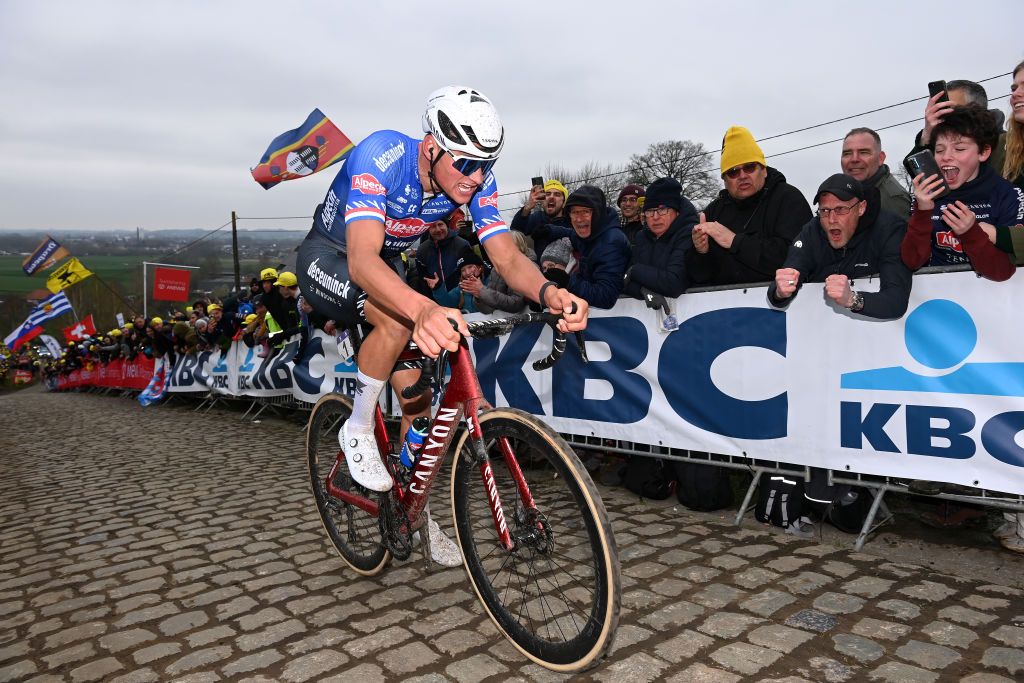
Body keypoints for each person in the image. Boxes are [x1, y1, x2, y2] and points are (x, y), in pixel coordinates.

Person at [294, 86, 587, 561]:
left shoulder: (475, 181)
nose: (476, 177)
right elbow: (363, 260)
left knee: (418, 402)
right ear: (431, 147)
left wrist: (550, 292)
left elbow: (507, 258)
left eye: (486, 165)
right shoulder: (382, 155)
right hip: (332, 257)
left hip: (385, 265)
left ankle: (414, 513)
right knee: (396, 322)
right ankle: (358, 427)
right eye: (466, 164)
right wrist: (422, 308)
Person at [900, 105, 1019, 282]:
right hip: (937, 298)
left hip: (990, 300)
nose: (946, 157)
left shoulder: (1007, 194)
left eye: (959, 149)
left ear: (984, 152)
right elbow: (912, 262)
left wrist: (971, 232)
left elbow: (1002, 272)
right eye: (939, 150)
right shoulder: (928, 193)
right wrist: (922, 212)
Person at [770, 173, 911, 320]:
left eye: (840, 209)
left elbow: (897, 301)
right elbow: (790, 272)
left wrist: (852, 299)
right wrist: (780, 292)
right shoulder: (812, 230)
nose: (831, 219)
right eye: (824, 210)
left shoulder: (889, 229)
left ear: (861, 208)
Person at [687, 126, 812, 286]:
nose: (742, 176)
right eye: (733, 172)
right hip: (724, 308)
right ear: (725, 180)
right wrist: (700, 252)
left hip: (781, 305)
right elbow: (697, 277)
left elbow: (796, 257)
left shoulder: (788, 199)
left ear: (764, 170)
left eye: (749, 167)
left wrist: (735, 242)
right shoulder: (714, 212)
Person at [623, 177, 698, 305]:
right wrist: (642, 291)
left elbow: (674, 283)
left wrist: (635, 271)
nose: (655, 217)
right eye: (650, 211)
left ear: (677, 212)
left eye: (662, 210)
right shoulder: (641, 237)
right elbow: (621, 280)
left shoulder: (690, 234)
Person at [560, 185, 631, 309]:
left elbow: (606, 296)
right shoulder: (589, 234)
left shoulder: (611, 242)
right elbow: (570, 233)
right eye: (574, 212)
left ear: (598, 213)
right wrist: (549, 230)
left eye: (586, 212)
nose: (579, 218)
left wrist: (567, 282)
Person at [840, 128, 911, 218]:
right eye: (847, 153)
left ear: (880, 158)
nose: (854, 159)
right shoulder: (845, 190)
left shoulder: (892, 200)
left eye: (863, 152)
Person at [467, 231, 535, 314]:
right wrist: (479, 295)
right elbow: (488, 310)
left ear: (519, 247)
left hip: (525, 323)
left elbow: (516, 304)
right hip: (502, 324)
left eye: (507, 246)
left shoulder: (529, 268)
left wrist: (482, 291)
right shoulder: (496, 270)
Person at [511, 179, 571, 265]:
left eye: (557, 194)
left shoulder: (572, 220)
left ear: (563, 202)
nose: (551, 197)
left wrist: (552, 231)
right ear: (542, 201)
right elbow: (516, 230)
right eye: (547, 194)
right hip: (541, 274)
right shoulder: (537, 218)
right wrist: (527, 208)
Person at [415, 213, 470, 300]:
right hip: (435, 298)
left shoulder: (462, 245)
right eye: (433, 226)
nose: (438, 229)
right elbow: (423, 279)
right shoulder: (422, 250)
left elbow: (472, 272)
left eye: (440, 224)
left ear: (446, 225)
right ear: (428, 229)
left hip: (461, 297)